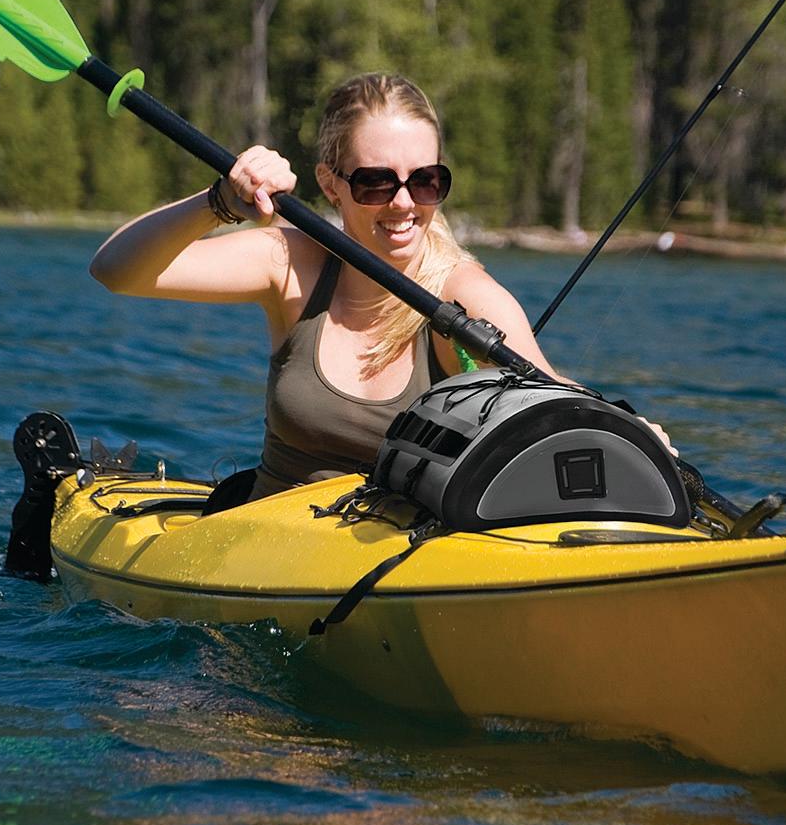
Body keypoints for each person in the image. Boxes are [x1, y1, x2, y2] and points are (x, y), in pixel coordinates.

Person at [90, 72, 670, 502]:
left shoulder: (461, 297)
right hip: (263, 543)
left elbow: (545, 390)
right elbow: (117, 269)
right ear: (331, 184)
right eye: (374, 182)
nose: (403, 203)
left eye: (426, 181)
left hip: (389, 563)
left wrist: (624, 430)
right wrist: (220, 202)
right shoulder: (291, 265)